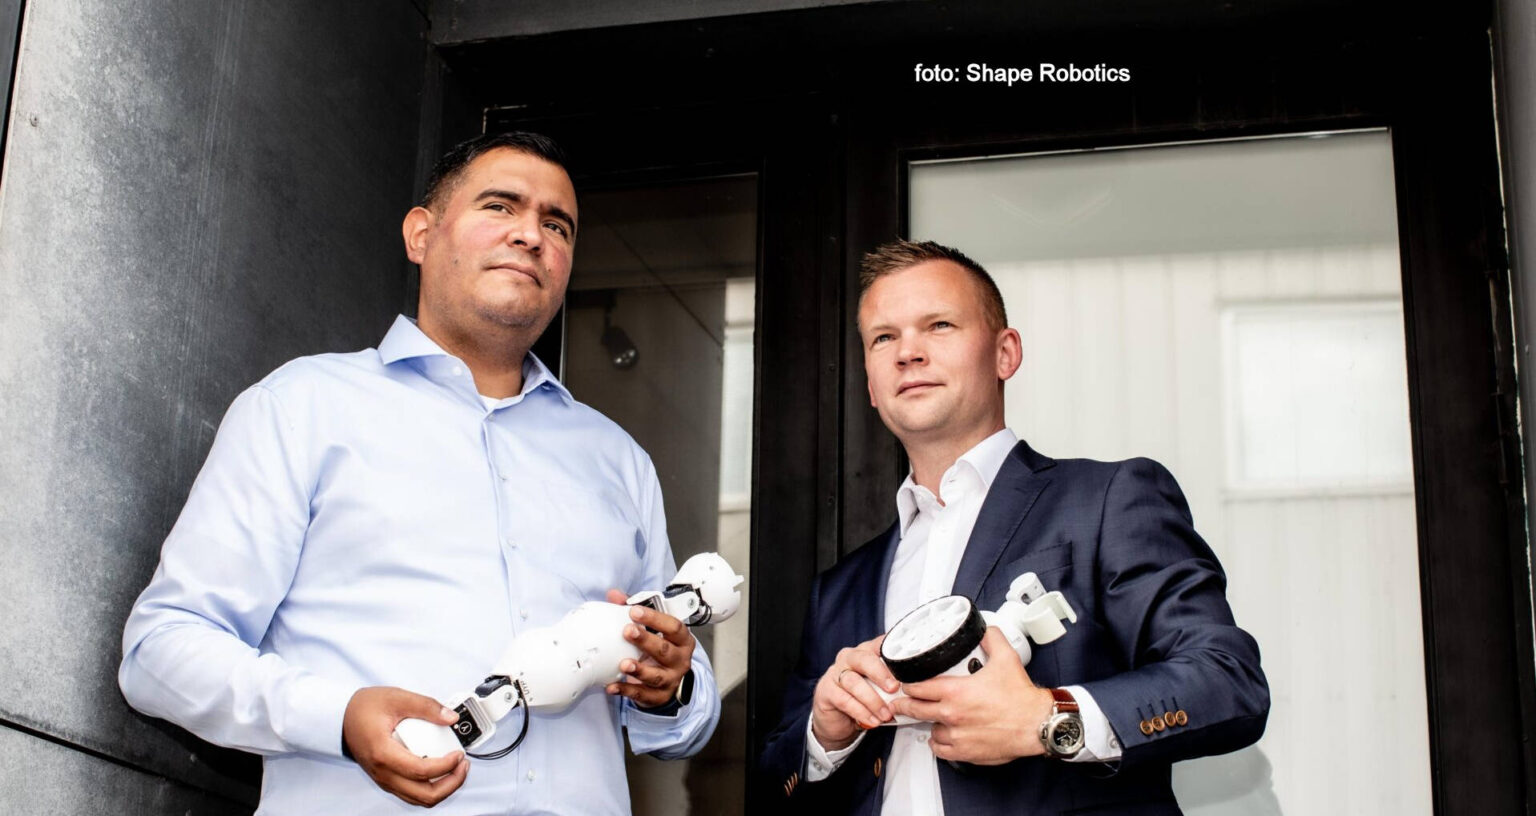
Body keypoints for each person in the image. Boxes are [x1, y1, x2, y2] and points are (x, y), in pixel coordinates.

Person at [119, 132, 719, 814]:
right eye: (500, 206)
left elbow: (688, 716)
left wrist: (670, 686)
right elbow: (161, 651)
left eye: (557, 226)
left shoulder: (620, 460)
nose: (531, 235)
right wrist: (338, 717)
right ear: (421, 235)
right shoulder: (302, 408)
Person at [760, 239, 1269, 814]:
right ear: (872, 387)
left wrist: (1046, 719)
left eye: (939, 325)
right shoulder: (839, 589)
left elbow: (1228, 683)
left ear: (1005, 353)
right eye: (884, 338)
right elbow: (775, 782)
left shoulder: (1109, 499)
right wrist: (824, 736)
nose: (908, 353)